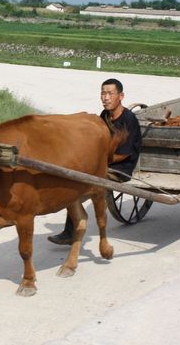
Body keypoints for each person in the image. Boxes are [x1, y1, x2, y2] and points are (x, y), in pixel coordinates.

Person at [48, 78, 142, 245]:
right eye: (103, 94)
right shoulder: (104, 116)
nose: (105, 98)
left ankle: (73, 231)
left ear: (121, 96)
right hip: (102, 163)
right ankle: (71, 229)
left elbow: (124, 154)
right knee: (74, 177)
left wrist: (98, 162)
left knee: (76, 188)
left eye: (110, 94)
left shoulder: (129, 119)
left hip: (120, 168)